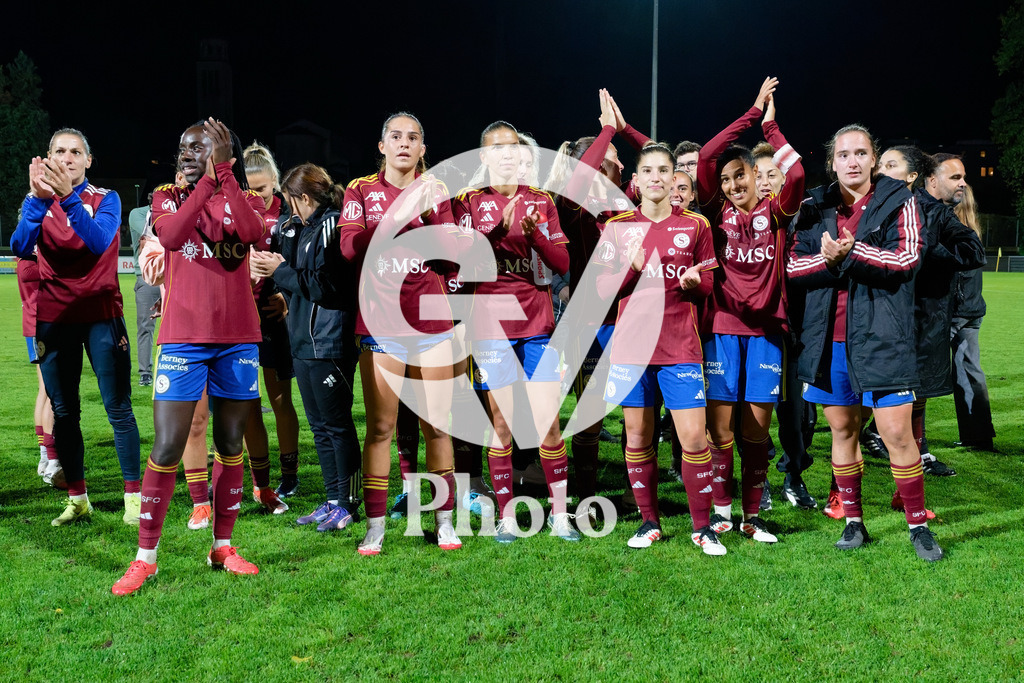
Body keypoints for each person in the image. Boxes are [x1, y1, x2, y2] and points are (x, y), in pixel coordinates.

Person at [112, 118, 267, 595]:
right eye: (182, 145)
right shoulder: (166, 196)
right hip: (181, 338)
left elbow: (250, 231)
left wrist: (223, 178)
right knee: (167, 445)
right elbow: (175, 235)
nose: (185, 152)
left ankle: (222, 546)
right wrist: (204, 184)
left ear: (224, 154)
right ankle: (146, 558)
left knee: (231, 442)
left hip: (238, 339)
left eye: (198, 146)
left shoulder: (248, 199)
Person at [787, 123, 943, 562]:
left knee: (896, 433)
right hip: (828, 341)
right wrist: (829, 258)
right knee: (842, 429)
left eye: (860, 153)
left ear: (873, 158)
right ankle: (854, 521)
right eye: (843, 155)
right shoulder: (814, 207)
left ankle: (917, 525)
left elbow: (908, 259)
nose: (852, 162)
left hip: (883, 338)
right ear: (832, 161)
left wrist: (850, 255)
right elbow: (793, 269)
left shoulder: (899, 200)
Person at [339, 112, 462, 555]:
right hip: (380, 323)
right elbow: (350, 247)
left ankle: (445, 522)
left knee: (438, 426)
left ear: (423, 149)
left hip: (431, 320)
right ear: (382, 145)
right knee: (381, 428)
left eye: (413, 137)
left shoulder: (436, 190)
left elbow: (450, 255)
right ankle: (375, 527)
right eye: (396, 136)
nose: (404, 143)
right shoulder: (361, 189)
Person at [454, 119, 578, 543]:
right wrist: (497, 232)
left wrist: (536, 239)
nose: (506, 153)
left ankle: (561, 515)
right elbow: (463, 265)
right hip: (491, 329)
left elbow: (562, 263)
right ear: (484, 156)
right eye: (497, 148)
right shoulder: (468, 202)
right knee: (501, 425)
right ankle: (506, 516)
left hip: (538, 326)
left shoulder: (541, 200)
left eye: (512, 146)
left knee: (549, 425)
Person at [11, 128, 142, 527]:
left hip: (102, 316)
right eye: (59, 151)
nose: (67, 157)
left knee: (118, 408)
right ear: (49, 157)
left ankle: (133, 500)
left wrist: (66, 197)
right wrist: (37, 200)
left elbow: (100, 240)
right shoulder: (38, 203)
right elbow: (20, 247)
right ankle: (78, 498)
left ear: (88, 161)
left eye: (75, 152)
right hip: (55, 319)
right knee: (65, 413)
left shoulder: (106, 199)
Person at [594, 142, 721, 552]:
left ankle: (702, 526)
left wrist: (696, 284)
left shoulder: (697, 226)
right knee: (637, 437)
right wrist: (628, 272)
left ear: (673, 179)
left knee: (695, 439)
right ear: (635, 180)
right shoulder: (616, 228)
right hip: (632, 346)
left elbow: (711, 285)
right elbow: (599, 291)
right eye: (647, 171)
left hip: (680, 344)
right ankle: (650, 521)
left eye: (663, 171)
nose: (655, 177)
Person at [695, 78, 804, 542]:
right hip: (721, 327)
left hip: (765, 332)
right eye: (726, 179)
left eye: (740, 175)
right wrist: (750, 109)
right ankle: (721, 512)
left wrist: (771, 125)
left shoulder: (777, 213)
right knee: (721, 430)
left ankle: (752, 516)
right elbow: (704, 156)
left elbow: (796, 174)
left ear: (758, 176)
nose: (733, 184)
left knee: (756, 430)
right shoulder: (716, 212)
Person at [251, 163, 363, 532]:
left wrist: (278, 271)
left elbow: (327, 285)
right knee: (319, 426)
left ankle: (349, 502)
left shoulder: (333, 225)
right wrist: (279, 264)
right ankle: (332, 500)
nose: (286, 208)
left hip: (330, 341)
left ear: (301, 196)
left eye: (288, 199)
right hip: (303, 340)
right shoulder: (301, 227)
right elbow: (298, 275)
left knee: (338, 425)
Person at [870, 149, 985, 487]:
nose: (880, 171)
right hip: (879, 318)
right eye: (882, 165)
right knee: (863, 400)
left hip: (923, 320)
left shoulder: (933, 213)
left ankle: (914, 457)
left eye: (891, 165)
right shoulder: (869, 208)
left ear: (912, 177)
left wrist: (928, 250)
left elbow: (974, 251)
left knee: (914, 395)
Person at [751, 140, 818, 510]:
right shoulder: (740, 220)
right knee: (754, 412)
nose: (762, 181)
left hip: (797, 332)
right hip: (758, 332)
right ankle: (757, 482)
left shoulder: (803, 219)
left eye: (771, 174)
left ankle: (794, 475)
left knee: (797, 416)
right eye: (756, 174)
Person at [241, 142, 300, 512]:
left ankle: (289, 474)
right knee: (247, 403)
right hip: (242, 320)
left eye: (262, 189)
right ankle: (256, 478)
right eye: (249, 190)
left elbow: (302, 263)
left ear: (275, 183)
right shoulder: (233, 212)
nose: (256, 197)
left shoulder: (291, 214)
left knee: (280, 400)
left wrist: (287, 298)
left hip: (276, 318)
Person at [950, 184, 995, 450]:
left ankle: (881, 430)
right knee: (970, 372)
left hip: (955, 312)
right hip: (972, 310)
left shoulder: (952, 232)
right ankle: (978, 436)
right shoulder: (973, 231)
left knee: (917, 371)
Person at [16, 253, 60, 485]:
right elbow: (27, 273)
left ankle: (45, 458)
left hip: (36, 325)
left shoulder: (29, 256)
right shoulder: (29, 259)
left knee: (45, 389)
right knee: (53, 391)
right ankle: (51, 459)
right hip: (41, 326)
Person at [129, 197, 160, 387]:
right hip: (146, 276)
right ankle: (145, 372)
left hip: (174, 275)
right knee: (145, 325)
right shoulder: (137, 214)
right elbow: (154, 234)